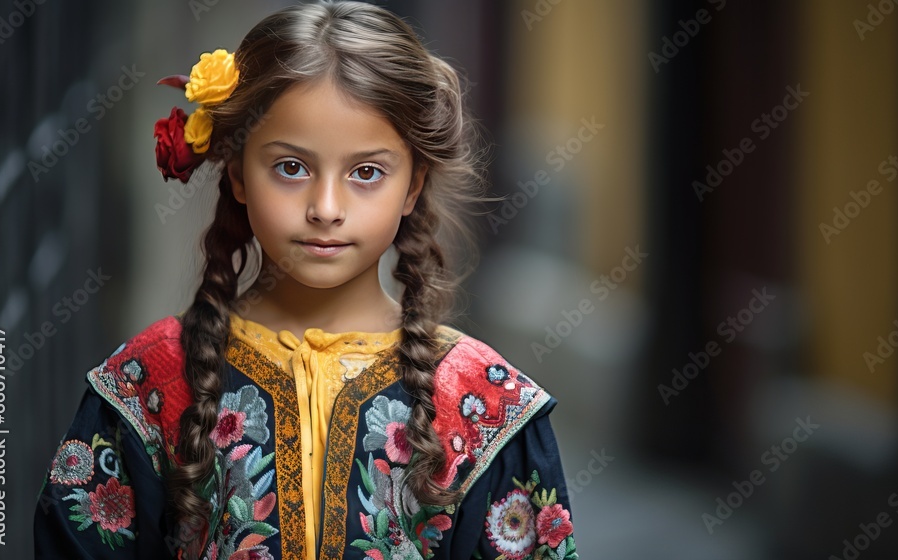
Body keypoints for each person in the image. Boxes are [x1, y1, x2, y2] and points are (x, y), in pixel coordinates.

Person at [34, 2, 577, 559]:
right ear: (239, 172)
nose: (325, 207)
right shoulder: (149, 383)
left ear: (413, 186)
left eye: (367, 172)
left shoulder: (484, 403)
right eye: (291, 167)